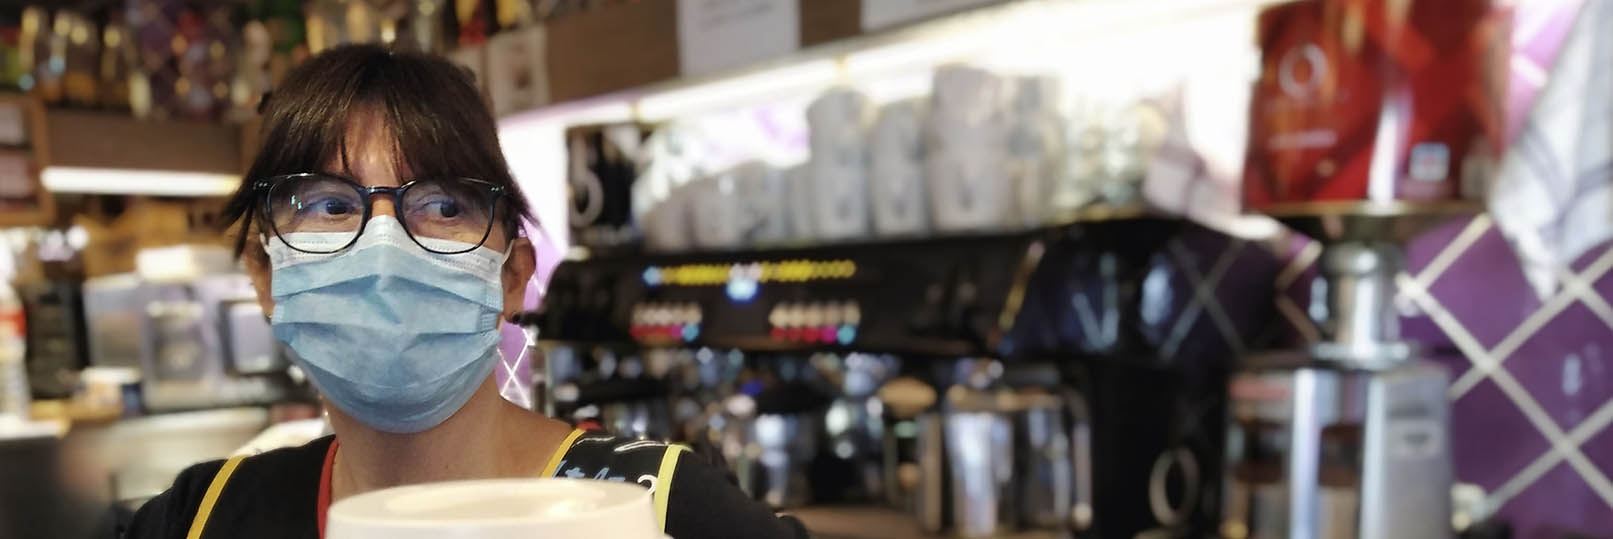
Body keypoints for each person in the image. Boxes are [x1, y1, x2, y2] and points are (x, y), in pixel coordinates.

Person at [121, 44, 808, 539]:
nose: (382, 243)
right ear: (264, 276)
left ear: (513, 275)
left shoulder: (657, 508)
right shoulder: (199, 515)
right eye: (330, 205)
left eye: (443, 205)